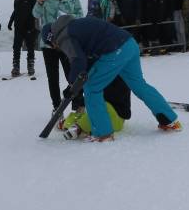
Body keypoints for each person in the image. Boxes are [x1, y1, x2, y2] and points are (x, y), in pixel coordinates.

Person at [42, 15, 181, 140]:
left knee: (92, 88)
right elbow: (88, 65)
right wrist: (72, 86)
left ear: (51, 39)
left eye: (53, 46)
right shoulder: (76, 26)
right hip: (129, 44)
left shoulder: (63, 36)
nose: (57, 48)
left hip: (115, 51)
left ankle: (103, 134)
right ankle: (169, 120)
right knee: (139, 85)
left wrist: (73, 84)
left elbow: (79, 62)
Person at [33, 0, 83, 110]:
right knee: (53, 78)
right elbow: (35, 14)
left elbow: (80, 15)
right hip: (49, 44)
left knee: (72, 76)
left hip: (67, 43)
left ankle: (77, 105)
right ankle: (57, 107)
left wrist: (69, 17)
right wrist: (39, 3)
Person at [7, 0, 37, 77]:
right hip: (18, 27)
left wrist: (32, 24)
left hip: (29, 26)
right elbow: (16, 10)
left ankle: (30, 67)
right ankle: (16, 68)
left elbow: (35, 11)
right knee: (16, 47)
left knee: (30, 47)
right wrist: (11, 21)